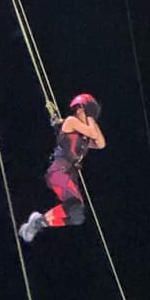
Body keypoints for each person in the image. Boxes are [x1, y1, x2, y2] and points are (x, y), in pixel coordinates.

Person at [19, 95, 105, 242]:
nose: (90, 117)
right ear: (79, 109)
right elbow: (92, 133)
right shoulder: (71, 121)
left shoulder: (83, 136)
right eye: (88, 112)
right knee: (75, 205)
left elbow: (101, 143)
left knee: (77, 216)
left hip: (69, 174)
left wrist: (91, 118)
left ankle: (38, 222)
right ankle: (36, 223)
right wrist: (89, 117)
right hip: (59, 171)